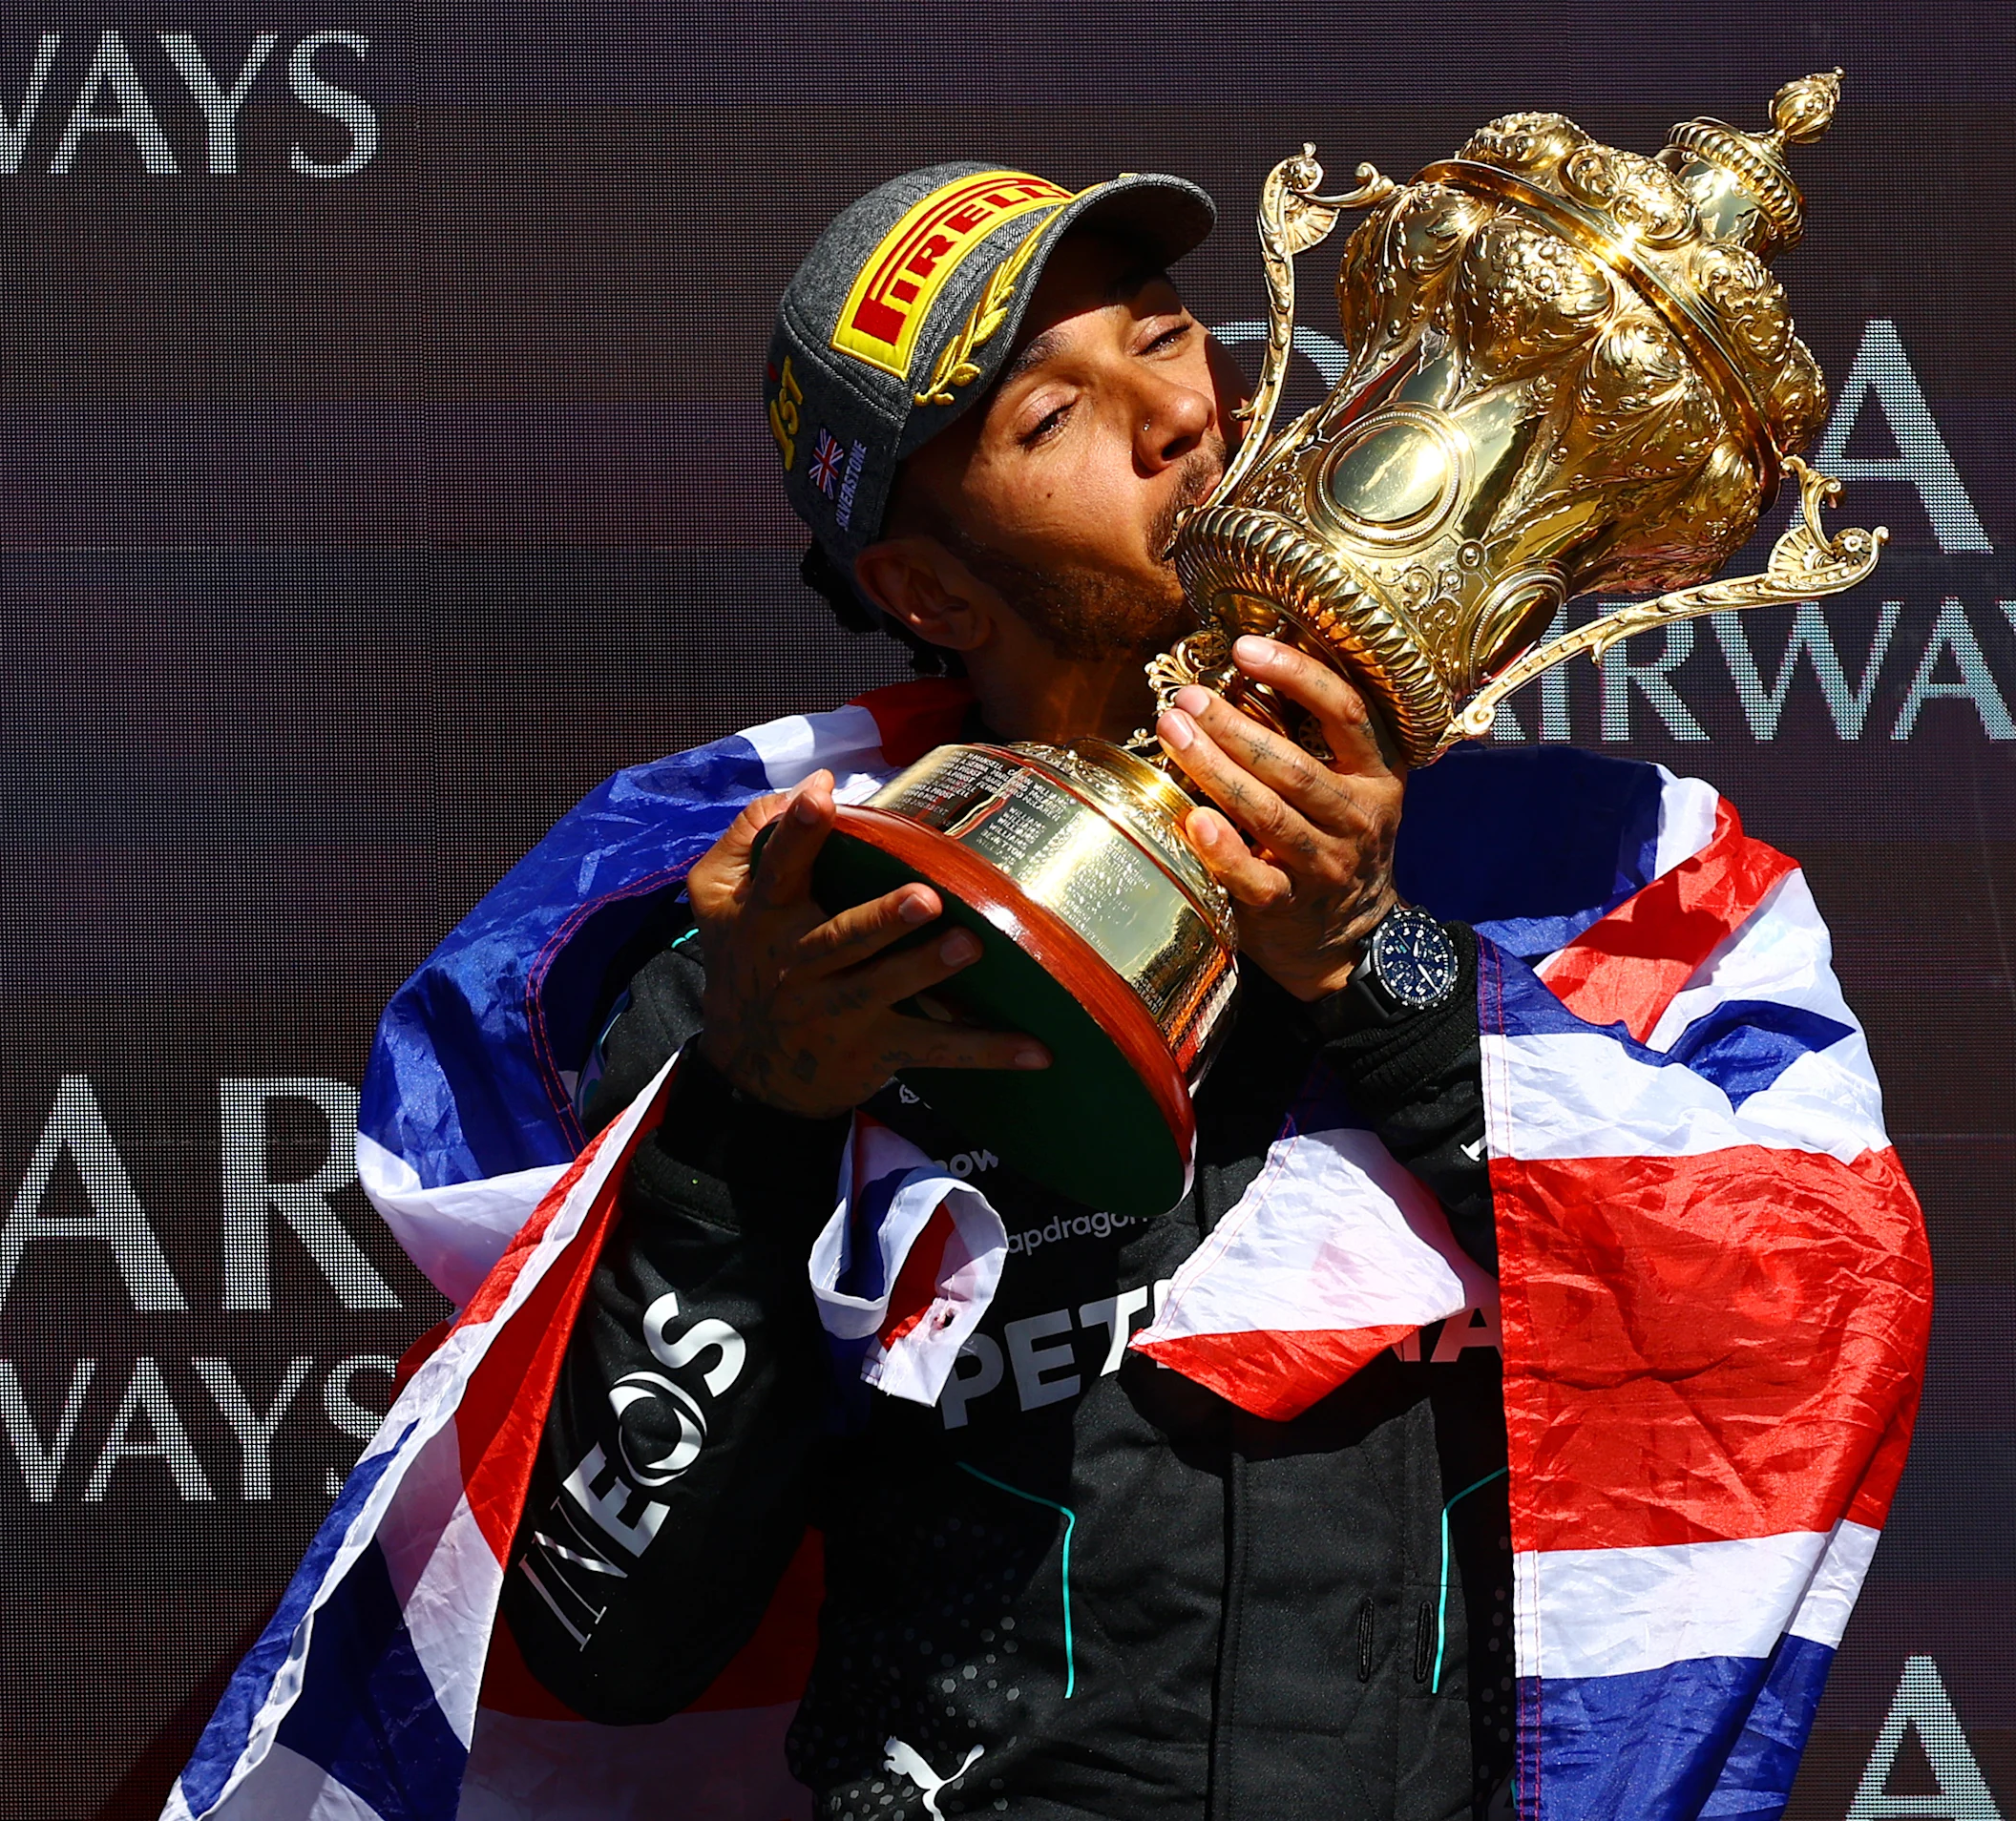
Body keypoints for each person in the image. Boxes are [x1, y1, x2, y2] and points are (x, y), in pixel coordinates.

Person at [499, 163, 1523, 1818]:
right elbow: (608, 1630)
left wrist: (1365, 966)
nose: (1182, 415)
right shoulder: (792, 965)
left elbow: (1754, 1348)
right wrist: (751, 1125)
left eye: (1173, 337)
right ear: (928, 591)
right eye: (1054, 413)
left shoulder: (1550, 891)